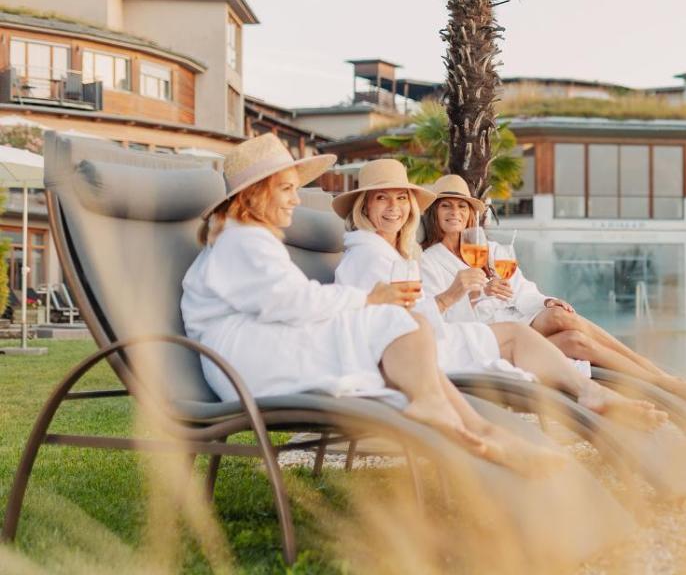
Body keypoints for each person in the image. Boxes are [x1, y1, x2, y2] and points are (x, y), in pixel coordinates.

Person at [180, 134, 561, 477]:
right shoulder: (244, 241)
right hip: (249, 362)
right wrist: (367, 298)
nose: (296, 198)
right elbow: (290, 301)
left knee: (402, 325)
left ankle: (468, 424)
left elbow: (284, 301)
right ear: (255, 194)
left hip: (257, 350)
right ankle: (460, 420)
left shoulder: (242, 238)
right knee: (395, 323)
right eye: (287, 189)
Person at [333, 160, 666, 431]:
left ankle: (630, 382)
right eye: (382, 198)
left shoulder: (397, 253)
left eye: (402, 198)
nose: (394, 207)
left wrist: (540, 301)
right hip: (412, 353)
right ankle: (611, 388)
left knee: (551, 325)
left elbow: (520, 289)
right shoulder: (375, 257)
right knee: (546, 337)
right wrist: (457, 296)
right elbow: (394, 323)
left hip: (443, 335)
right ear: (365, 206)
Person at [420, 175, 686, 408]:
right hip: (491, 339)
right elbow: (440, 322)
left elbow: (521, 291)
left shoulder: (490, 249)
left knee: (562, 317)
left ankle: (659, 376)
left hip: (519, 321)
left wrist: (546, 300)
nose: (455, 212)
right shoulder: (428, 261)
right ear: (434, 212)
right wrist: (475, 294)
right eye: (446, 206)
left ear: (470, 214)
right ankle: (663, 383)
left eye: (461, 206)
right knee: (575, 340)